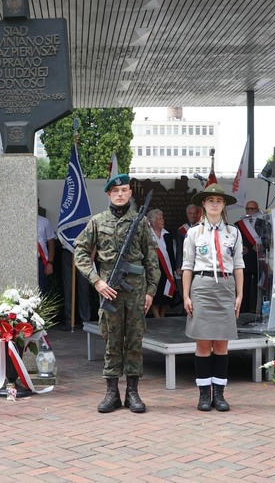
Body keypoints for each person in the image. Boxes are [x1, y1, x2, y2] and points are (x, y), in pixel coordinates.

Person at [74, 174, 159, 414]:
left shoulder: (140, 222)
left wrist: (151, 290)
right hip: (109, 290)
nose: (120, 194)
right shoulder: (97, 222)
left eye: (124, 190)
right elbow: (80, 253)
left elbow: (151, 259)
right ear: (109, 195)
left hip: (136, 292)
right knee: (112, 341)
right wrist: (97, 281)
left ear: (130, 193)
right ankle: (112, 392)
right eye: (115, 191)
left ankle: (133, 392)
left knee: (134, 341)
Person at [181, 184, 244, 412]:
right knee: (203, 342)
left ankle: (219, 394)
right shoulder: (193, 233)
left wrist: (240, 294)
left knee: (221, 342)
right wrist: (186, 295)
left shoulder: (233, 233)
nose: (214, 204)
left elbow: (238, 265)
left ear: (224, 204)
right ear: (204, 205)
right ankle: (203, 394)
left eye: (219, 200)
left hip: (225, 288)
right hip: (202, 286)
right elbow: (187, 266)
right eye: (210, 200)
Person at [235, 201, 267, 315]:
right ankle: (243, 312)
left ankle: (258, 311)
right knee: (244, 287)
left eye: (252, 209)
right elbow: (234, 241)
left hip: (259, 260)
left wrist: (261, 245)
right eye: (247, 209)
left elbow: (268, 240)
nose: (249, 211)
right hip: (245, 259)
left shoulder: (264, 223)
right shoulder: (239, 224)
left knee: (258, 288)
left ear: (257, 210)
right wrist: (240, 247)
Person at [147, 208, 177, 318]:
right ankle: (156, 315)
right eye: (159, 219)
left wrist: (174, 268)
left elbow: (171, 253)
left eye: (162, 218)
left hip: (167, 269)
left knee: (166, 293)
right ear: (153, 222)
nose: (162, 220)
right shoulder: (148, 235)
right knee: (156, 292)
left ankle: (163, 314)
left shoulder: (167, 235)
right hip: (154, 269)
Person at [59, 238, 92, 330]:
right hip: (67, 252)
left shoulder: (87, 222)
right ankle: (69, 321)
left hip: (84, 253)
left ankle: (85, 321)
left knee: (83, 288)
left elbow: (94, 240)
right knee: (68, 288)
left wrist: (91, 259)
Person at [175, 203, 201, 276]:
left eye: (195, 213)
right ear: (187, 214)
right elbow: (179, 250)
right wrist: (178, 266)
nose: (192, 215)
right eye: (190, 213)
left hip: (201, 264)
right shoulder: (181, 230)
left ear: (198, 214)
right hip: (187, 265)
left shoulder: (203, 228)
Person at [37, 203, 56, 295]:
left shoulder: (44, 221)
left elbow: (51, 243)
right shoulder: (21, 221)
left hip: (41, 261)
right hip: (25, 261)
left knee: (41, 290)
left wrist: (50, 263)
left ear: (38, 204)